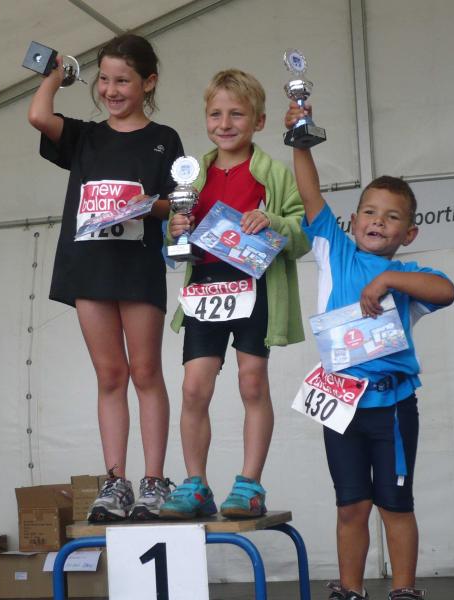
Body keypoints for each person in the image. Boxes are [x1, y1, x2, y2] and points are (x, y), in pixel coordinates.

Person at [286, 104, 454, 600]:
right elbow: (309, 193)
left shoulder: (411, 278)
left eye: (392, 217)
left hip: (392, 407)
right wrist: (299, 139)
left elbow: (446, 291)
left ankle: (404, 591)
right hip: (340, 404)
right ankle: (350, 590)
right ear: (353, 219)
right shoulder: (333, 251)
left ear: (409, 233)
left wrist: (387, 279)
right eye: (370, 212)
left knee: (395, 506)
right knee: (350, 506)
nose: (378, 221)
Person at [28, 34, 183, 521]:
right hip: (89, 267)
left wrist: (145, 205)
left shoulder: (165, 139)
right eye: (105, 81)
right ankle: (115, 482)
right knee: (110, 375)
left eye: (123, 81)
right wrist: (57, 74)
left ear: (148, 83)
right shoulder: (85, 136)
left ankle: (154, 481)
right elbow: (38, 115)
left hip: (137, 265)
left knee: (146, 372)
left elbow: (177, 204)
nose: (111, 91)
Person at [159, 69, 309, 519]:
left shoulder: (274, 174)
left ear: (259, 121)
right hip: (205, 287)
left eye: (237, 114)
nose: (225, 123)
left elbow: (302, 233)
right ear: (206, 118)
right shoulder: (192, 176)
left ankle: (249, 485)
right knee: (193, 389)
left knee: (252, 382)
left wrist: (274, 222)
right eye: (216, 114)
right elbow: (174, 244)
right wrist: (175, 228)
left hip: (255, 286)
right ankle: (195, 485)